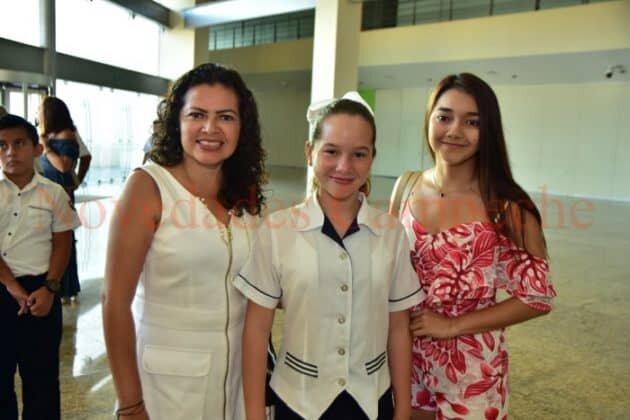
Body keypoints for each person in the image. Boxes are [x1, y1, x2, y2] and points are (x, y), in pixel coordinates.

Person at [236, 92, 425, 420]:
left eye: (359, 154)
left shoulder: (391, 232)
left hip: (371, 400)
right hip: (299, 400)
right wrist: (254, 414)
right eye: (331, 151)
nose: (344, 166)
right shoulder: (278, 229)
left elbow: (398, 327)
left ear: (372, 157)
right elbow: (256, 329)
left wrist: (404, 407)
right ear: (309, 152)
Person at [102, 63, 267, 420]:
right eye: (197, 115)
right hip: (167, 388)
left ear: (242, 127)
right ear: (177, 122)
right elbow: (114, 302)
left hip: (236, 381)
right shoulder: (149, 187)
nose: (210, 128)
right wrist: (130, 405)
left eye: (226, 117)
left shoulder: (244, 193)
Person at [390, 73, 556, 419]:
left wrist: (451, 325)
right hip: (406, 366)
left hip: (472, 377)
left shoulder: (505, 205)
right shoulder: (405, 187)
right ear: (429, 119)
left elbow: (538, 296)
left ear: (488, 130)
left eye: (472, 122)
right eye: (444, 117)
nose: (454, 131)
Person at [0, 114, 81, 419]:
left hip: (41, 293)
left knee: (42, 381)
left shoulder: (53, 192)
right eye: (2, 145)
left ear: (36, 148)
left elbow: (62, 243)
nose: (11, 152)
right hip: (3, 288)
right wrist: (12, 287)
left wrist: (50, 288)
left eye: (19, 143)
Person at [38, 96, 81, 303]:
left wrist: (46, 147)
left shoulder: (66, 135)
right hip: (48, 191)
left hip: (60, 193)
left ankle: (67, 289)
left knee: (63, 240)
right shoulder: (49, 135)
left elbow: (63, 166)